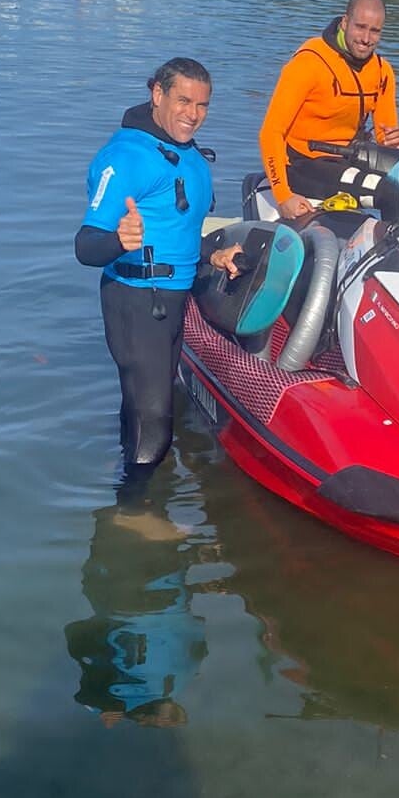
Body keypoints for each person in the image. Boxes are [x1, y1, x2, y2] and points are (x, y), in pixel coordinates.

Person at [74, 57, 241, 486]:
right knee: (154, 424)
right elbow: (86, 246)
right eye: (183, 101)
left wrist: (211, 256)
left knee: (142, 409)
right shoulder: (126, 157)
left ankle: (127, 482)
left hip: (170, 301)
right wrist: (119, 241)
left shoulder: (188, 155)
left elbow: (175, 233)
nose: (193, 114)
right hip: (135, 300)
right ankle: (135, 510)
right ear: (157, 94)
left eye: (202, 105)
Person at [258, 0, 399, 220]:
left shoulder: (382, 71)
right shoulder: (309, 63)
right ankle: (392, 240)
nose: (366, 38)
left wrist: (394, 141)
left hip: (348, 160)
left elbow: (384, 137)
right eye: (360, 27)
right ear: (344, 23)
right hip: (303, 164)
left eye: (374, 31)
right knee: (389, 192)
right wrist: (283, 196)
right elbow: (270, 133)